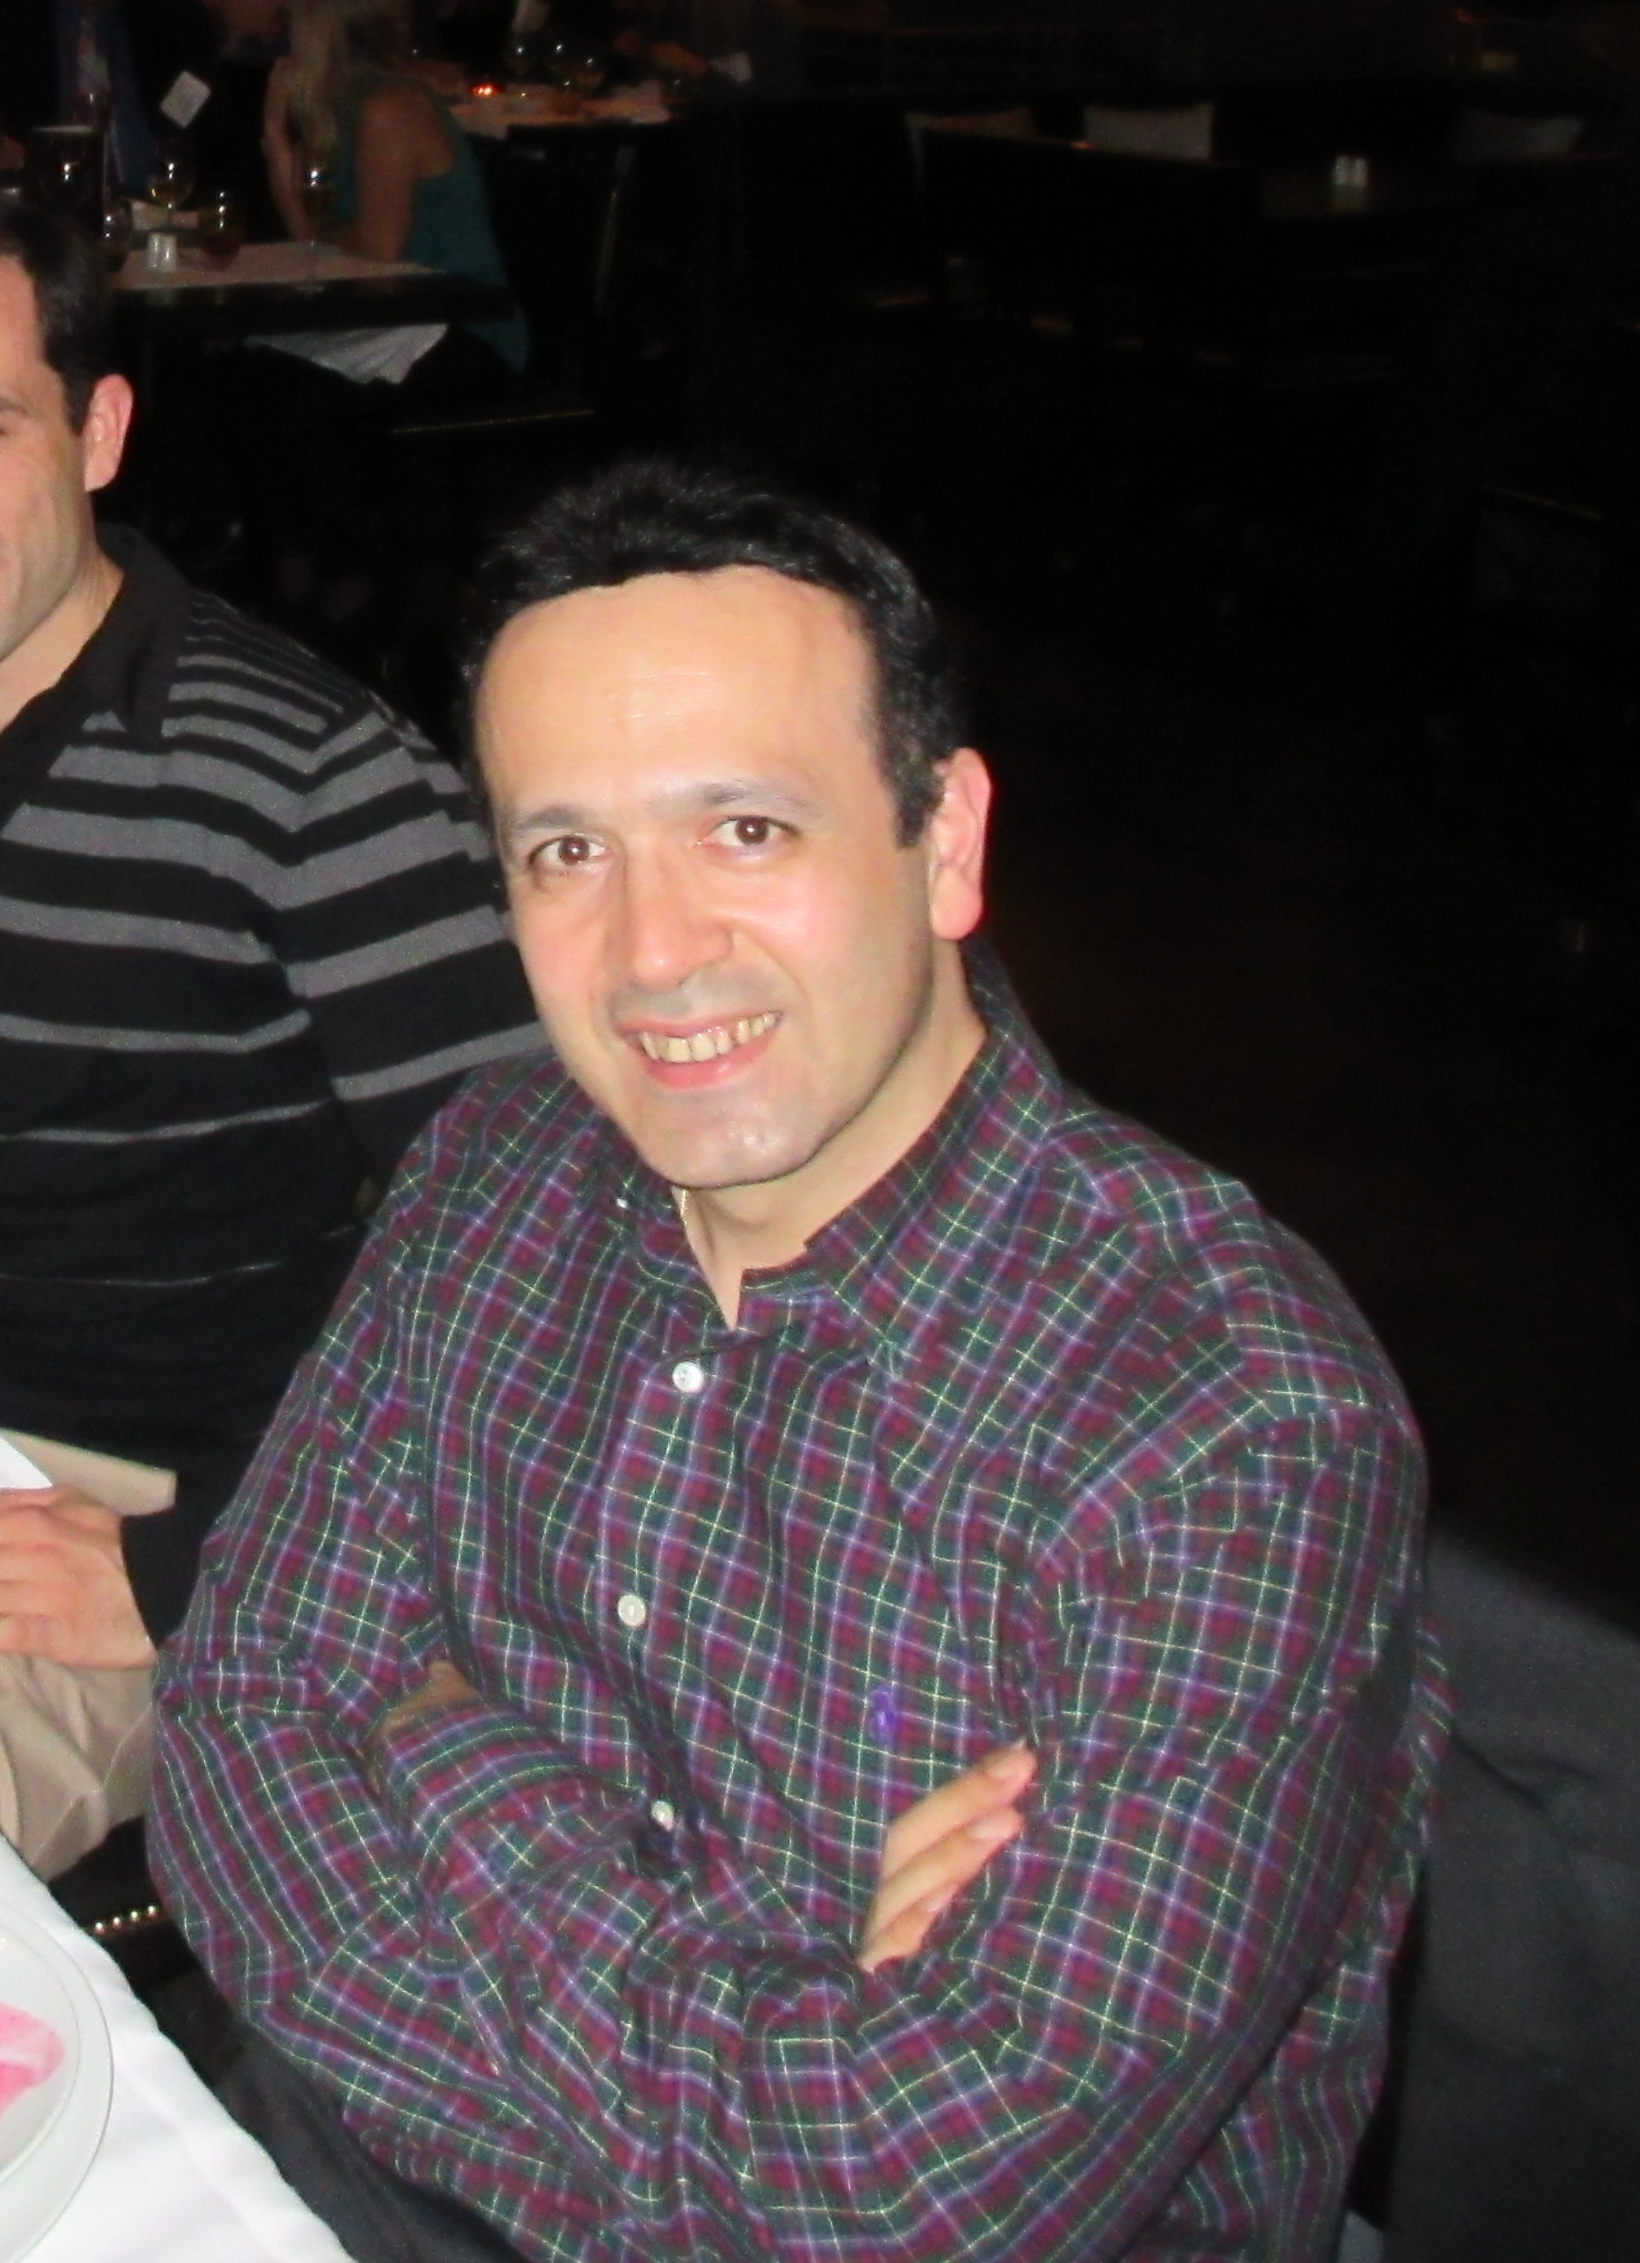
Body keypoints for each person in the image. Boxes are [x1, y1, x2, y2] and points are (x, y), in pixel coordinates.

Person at [151, 459, 1444, 2262]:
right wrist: (770, 2046)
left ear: (944, 841)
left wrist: (435, 1743)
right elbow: (228, 1732)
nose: (652, 953)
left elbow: (897, 2204)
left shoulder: (1221, 1418)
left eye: (745, 829)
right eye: (566, 852)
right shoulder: (491, 1175)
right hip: (342, 2179)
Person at [0, 190, 539, 1874]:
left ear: (99, 431)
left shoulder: (313, 780)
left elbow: (534, 1280)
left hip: (125, 1510)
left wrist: (192, 1562)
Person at [266, 0, 526, 372]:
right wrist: (275, 132)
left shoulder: (388, 108)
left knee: (272, 379)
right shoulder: (336, 107)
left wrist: (320, 231)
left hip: (455, 326)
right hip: (388, 317)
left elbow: (377, 248)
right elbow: (306, 237)